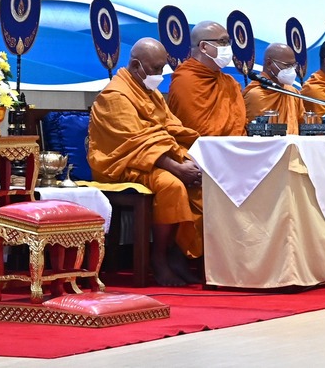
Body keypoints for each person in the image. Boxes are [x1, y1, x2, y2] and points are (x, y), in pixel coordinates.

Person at [87, 38, 203, 286]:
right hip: (120, 165)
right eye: (155, 69)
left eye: (163, 69)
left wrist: (193, 154)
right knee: (172, 185)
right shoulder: (116, 95)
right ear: (137, 64)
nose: (159, 75)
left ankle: (178, 251)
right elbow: (135, 142)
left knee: (201, 179)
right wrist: (176, 167)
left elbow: (170, 127)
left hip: (150, 159)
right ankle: (158, 257)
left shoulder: (149, 92)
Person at [168, 21, 247, 137]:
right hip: (203, 152)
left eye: (228, 42)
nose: (228, 47)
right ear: (204, 47)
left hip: (237, 149)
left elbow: (241, 125)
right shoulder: (185, 81)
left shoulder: (230, 82)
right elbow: (196, 132)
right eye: (223, 42)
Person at [243, 42, 304, 134]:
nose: (292, 70)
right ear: (269, 63)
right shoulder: (255, 95)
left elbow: (301, 125)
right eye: (287, 66)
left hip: (293, 146)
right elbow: (251, 133)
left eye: (293, 65)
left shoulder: (293, 92)